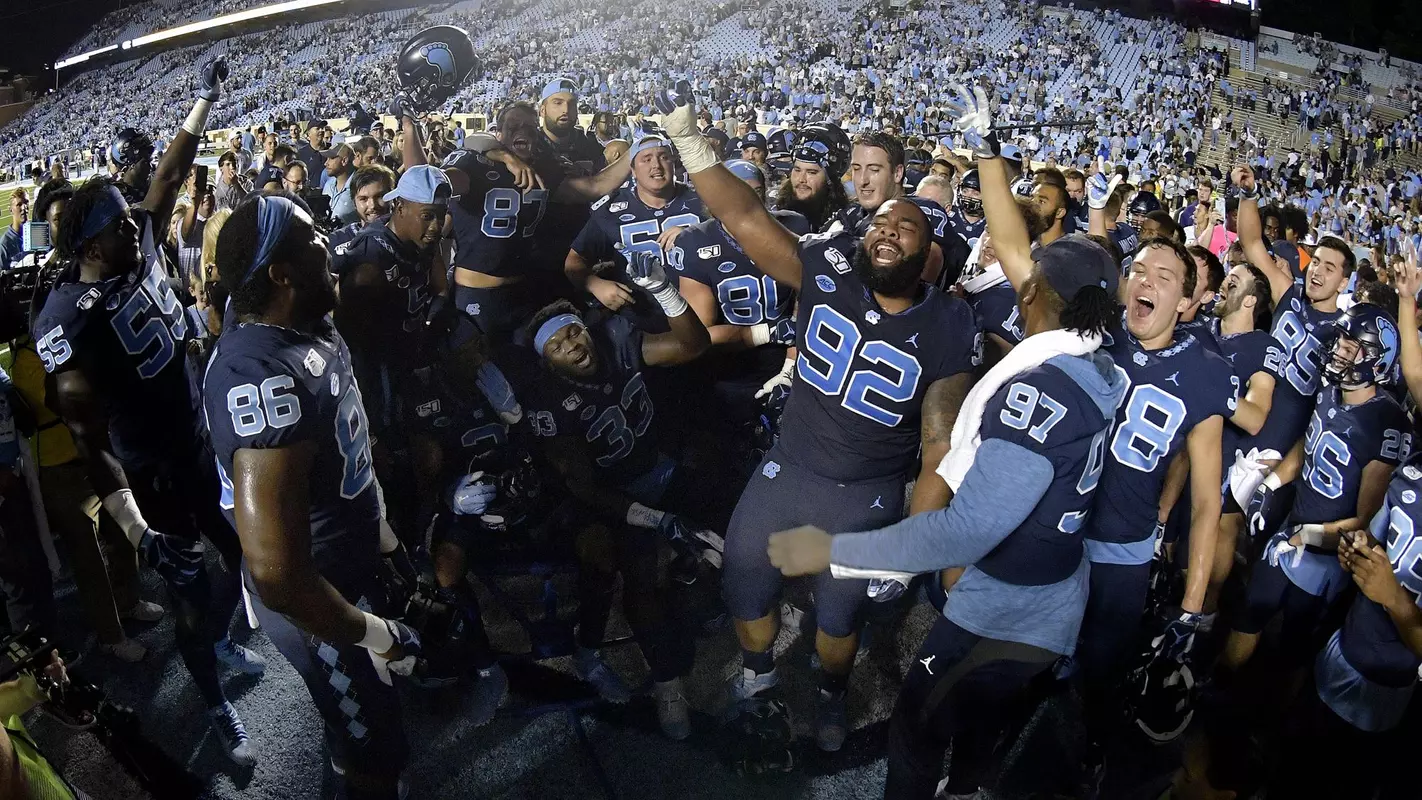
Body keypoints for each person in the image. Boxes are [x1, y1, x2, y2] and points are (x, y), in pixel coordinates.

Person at [657, 83, 981, 758]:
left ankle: (830, 690)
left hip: (864, 491)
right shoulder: (829, 269)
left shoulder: (950, 323)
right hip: (788, 467)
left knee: (838, 618)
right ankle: (760, 679)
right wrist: (691, 143)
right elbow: (746, 219)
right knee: (745, 579)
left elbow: (939, 442)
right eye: (881, 222)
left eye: (907, 226)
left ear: (930, 257)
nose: (887, 228)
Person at [766, 230, 1125, 799]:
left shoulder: (1041, 392)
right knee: (982, 722)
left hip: (1006, 613)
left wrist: (834, 552)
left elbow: (963, 533)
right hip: (1055, 595)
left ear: (1030, 292)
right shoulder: (1103, 370)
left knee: (917, 732)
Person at [31, 57, 262, 767]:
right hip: (154, 470)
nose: (134, 230)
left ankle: (225, 643)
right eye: (116, 229)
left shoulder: (137, 241)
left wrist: (201, 100)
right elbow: (85, 434)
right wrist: (132, 525)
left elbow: (167, 176)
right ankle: (214, 700)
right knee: (192, 595)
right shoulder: (70, 316)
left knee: (244, 559)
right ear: (88, 244)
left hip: (197, 441)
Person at [206, 193, 415, 799]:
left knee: (371, 725)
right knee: (374, 745)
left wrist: (384, 541)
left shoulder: (300, 323)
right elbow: (277, 573)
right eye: (311, 237)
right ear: (281, 272)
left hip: (345, 559)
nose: (328, 240)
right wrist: (379, 634)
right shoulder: (261, 373)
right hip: (314, 594)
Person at [524, 250, 714, 739]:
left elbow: (693, 345)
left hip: (661, 467)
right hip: (614, 496)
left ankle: (714, 591)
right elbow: (584, 487)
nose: (573, 344)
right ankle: (668, 685)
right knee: (638, 580)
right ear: (546, 362)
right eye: (558, 345)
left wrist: (666, 293)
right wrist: (654, 519)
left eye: (574, 332)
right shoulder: (550, 405)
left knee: (738, 517)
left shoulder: (616, 340)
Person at [441, 101, 630, 341]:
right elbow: (443, 180)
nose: (523, 132)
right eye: (513, 126)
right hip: (477, 292)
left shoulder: (543, 169)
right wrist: (501, 155)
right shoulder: (473, 161)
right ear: (498, 134)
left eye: (530, 128)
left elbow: (595, 187)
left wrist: (638, 151)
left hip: (525, 289)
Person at [670, 159, 808, 433]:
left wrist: (791, 363)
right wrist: (768, 332)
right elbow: (701, 336)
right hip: (730, 366)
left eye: (754, 191)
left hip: (790, 357)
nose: (744, 201)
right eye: (736, 191)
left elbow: (806, 299)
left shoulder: (794, 226)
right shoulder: (695, 241)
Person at [564, 135, 705, 316]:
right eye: (646, 159)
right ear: (632, 170)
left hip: (700, 311)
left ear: (673, 163)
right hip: (642, 315)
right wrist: (595, 284)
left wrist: (700, 235)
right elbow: (574, 262)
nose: (656, 165)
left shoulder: (702, 202)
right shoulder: (611, 211)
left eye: (663, 157)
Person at [321, 143, 357, 225]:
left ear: (344, 161)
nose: (326, 163)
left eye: (331, 158)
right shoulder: (328, 184)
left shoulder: (360, 186)